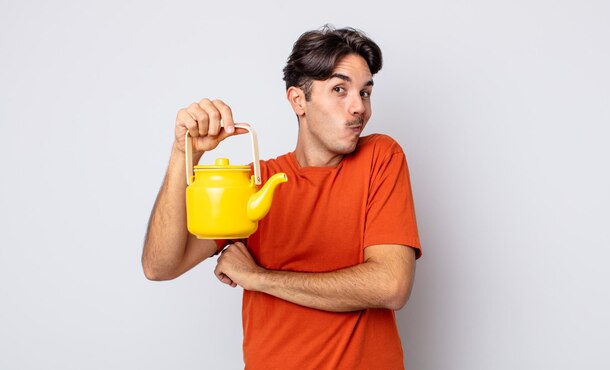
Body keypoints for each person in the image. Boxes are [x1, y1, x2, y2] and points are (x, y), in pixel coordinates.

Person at [142, 25, 421, 370]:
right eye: (339, 89)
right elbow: (159, 266)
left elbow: (390, 285)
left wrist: (258, 277)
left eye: (365, 93)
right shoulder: (254, 183)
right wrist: (182, 155)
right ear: (298, 100)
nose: (358, 108)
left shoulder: (381, 156)